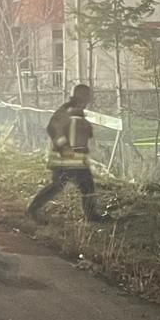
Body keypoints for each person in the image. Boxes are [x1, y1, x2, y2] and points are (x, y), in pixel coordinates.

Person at [27, 84, 103, 222]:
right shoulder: (66, 111)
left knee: (87, 186)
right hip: (64, 160)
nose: (88, 100)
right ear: (82, 97)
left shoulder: (77, 111)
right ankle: (32, 210)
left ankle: (92, 216)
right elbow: (52, 128)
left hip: (76, 160)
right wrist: (64, 147)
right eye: (87, 96)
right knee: (58, 186)